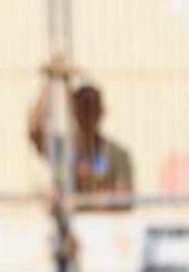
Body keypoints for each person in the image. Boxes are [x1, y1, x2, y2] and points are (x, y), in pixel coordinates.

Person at [27, 60, 133, 196]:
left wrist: (88, 193)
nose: (88, 113)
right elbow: (35, 130)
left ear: (102, 111)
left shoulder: (117, 154)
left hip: (99, 217)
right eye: (83, 107)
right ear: (74, 111)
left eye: (92, 107)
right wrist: (50, 82)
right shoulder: (63, 148)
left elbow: (123, 198)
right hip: (68, 217)